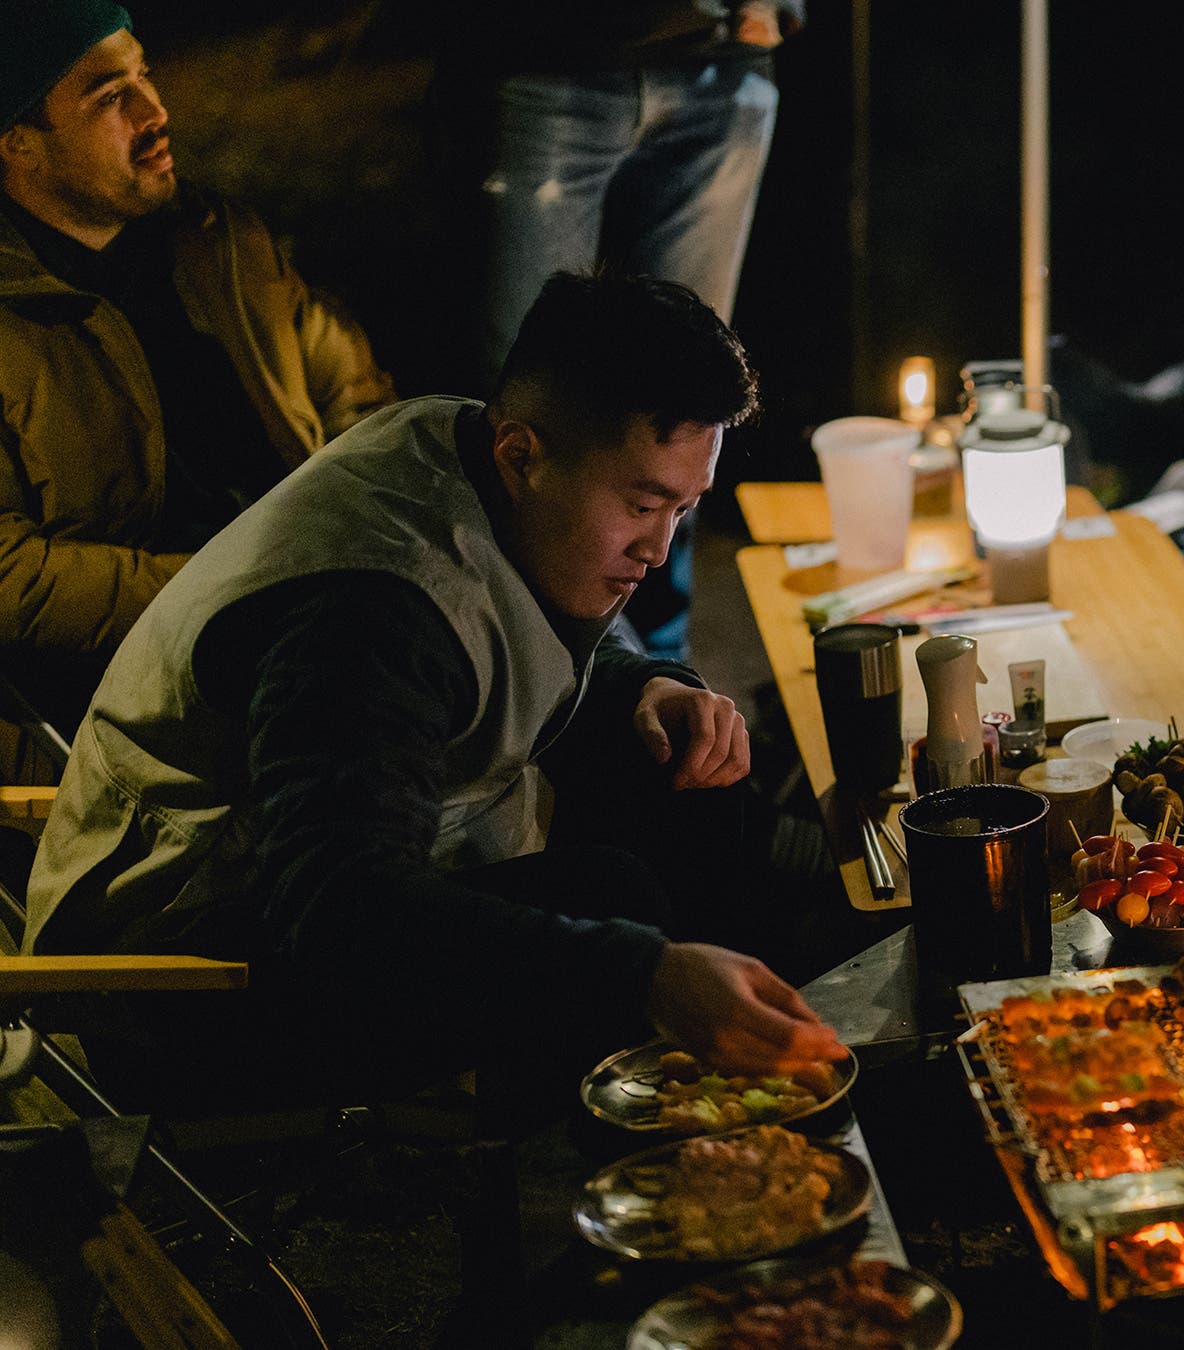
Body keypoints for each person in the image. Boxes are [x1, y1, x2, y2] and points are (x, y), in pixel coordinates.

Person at [23, 272, 843, 1122]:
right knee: (616, 909)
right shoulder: (367, 616)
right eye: (642, 503)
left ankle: (731, 1087)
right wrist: (641, 974)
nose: (659, 548)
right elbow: (340, 912)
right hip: (184, 979)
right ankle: (603, 1189)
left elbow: (504, 634)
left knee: (683, 769)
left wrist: (646, 686)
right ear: (521, 455)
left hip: (355, 868)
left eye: (684, 507)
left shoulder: (479, 449)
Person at [0, 1, 393, 730]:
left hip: (320, 625)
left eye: (144, 74)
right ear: (19, 143)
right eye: (109, 96)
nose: (155, 110)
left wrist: (381, 520)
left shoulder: (214, 238)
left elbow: (354, 399)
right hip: (128, 704)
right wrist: (230, 583)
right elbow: (9, 573)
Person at [469, 0, 800, 661]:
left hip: (721, 64)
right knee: (525, 409)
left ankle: (654, 680)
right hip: (547, 56)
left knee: (686, 421)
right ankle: (527, 683)